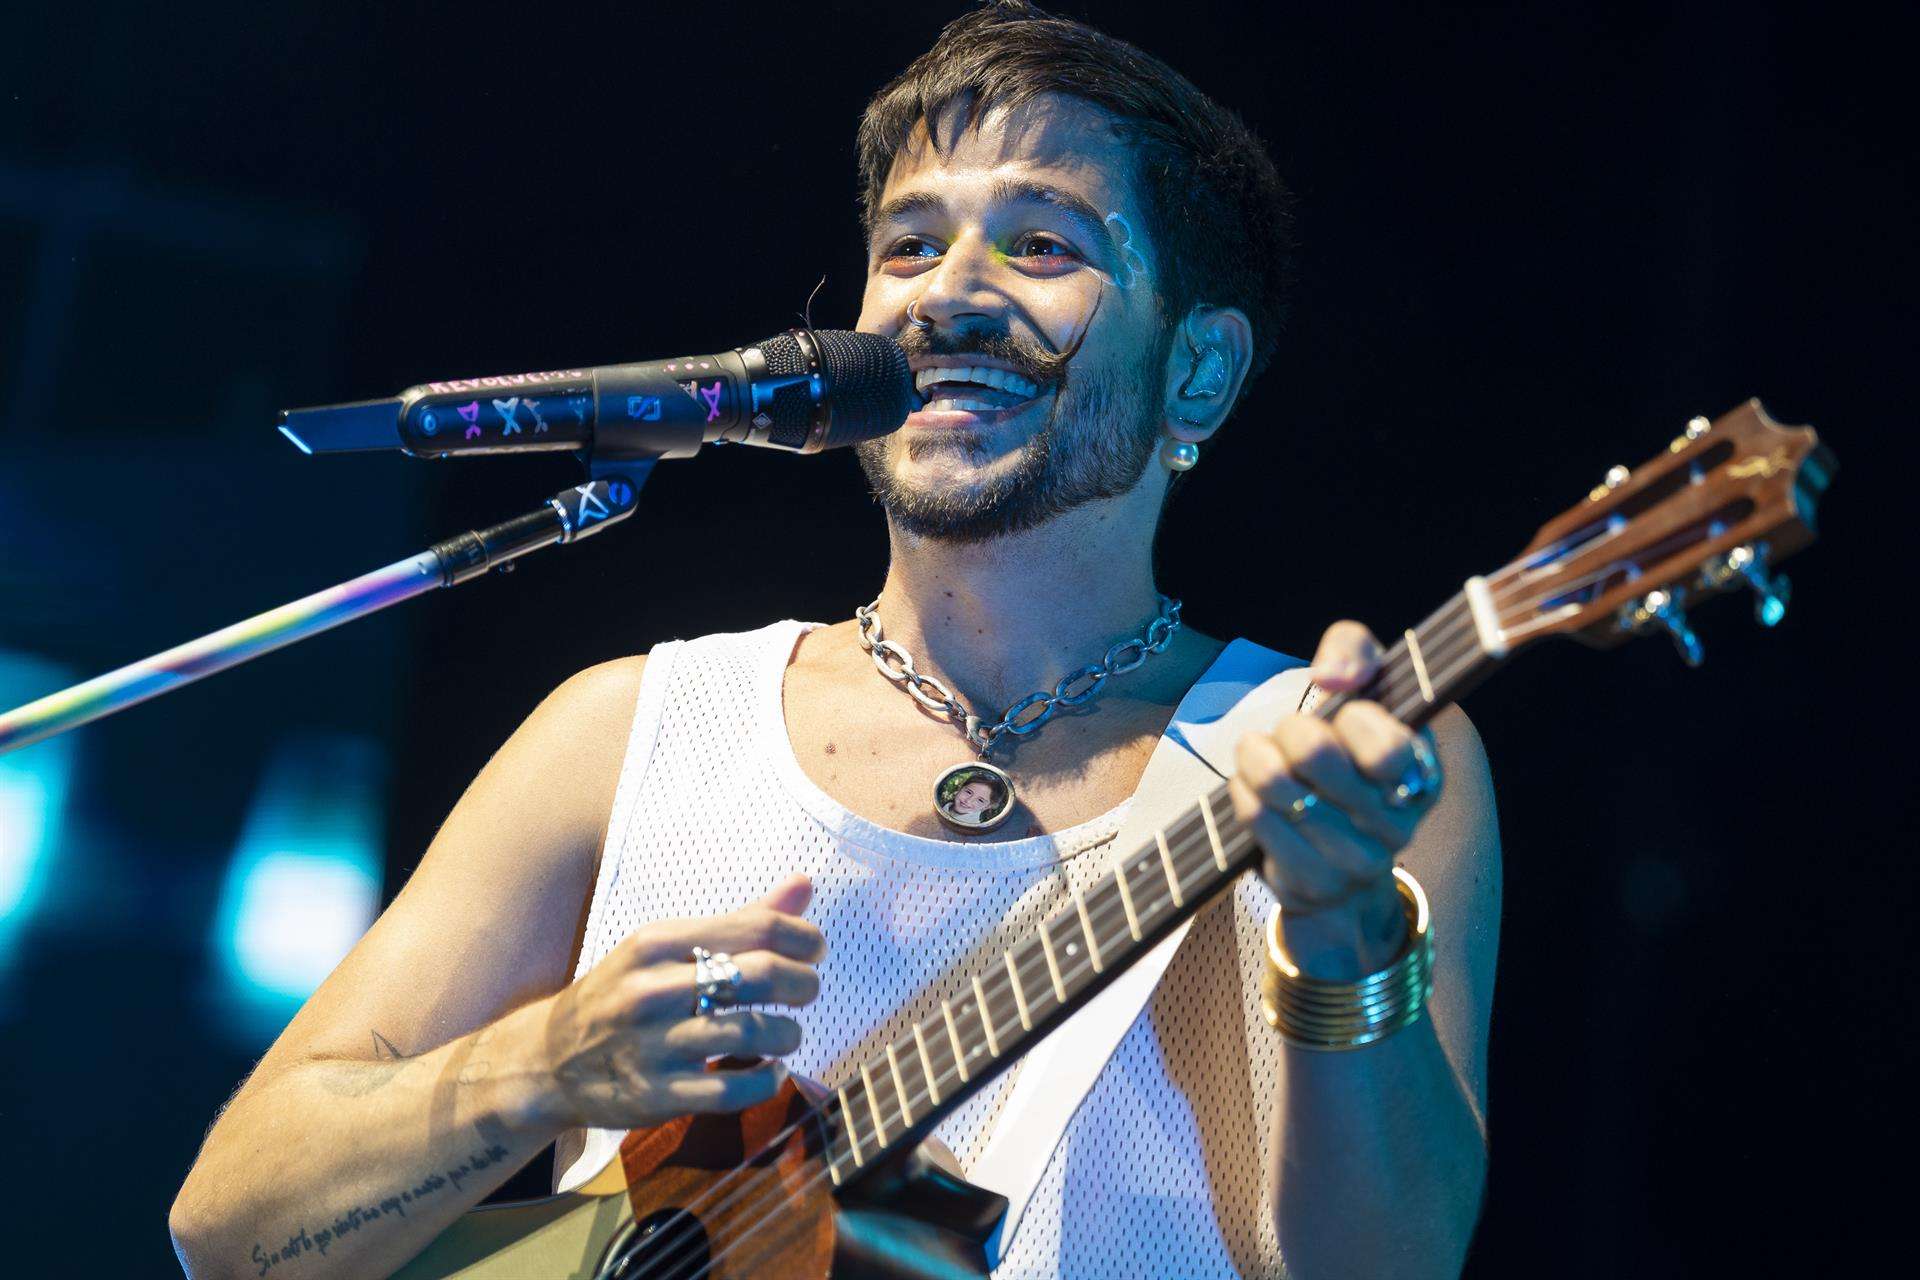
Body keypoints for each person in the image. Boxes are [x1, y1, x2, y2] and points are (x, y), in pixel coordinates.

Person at [169, 4, 1499, 1277]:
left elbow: (1388, 1266)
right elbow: (232, 1230)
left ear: (1197, 371)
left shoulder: (1346, 755)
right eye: (911, 245)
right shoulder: (629, 730)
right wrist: (544, 1065)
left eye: (1041, 247)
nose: (948, 296)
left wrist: (1343, 930)